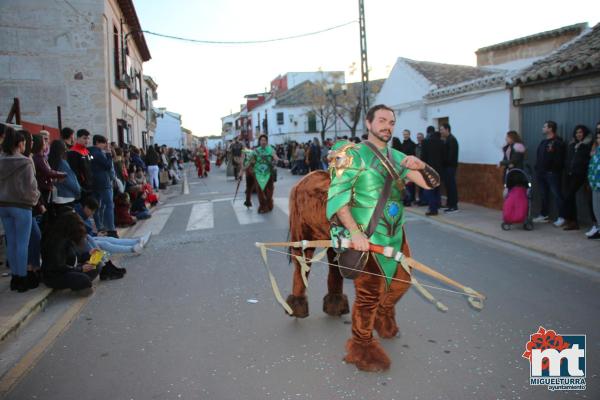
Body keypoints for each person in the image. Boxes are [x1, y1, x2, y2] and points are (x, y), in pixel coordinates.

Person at [326, 104, 440, 371]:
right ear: (368, 123)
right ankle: (361, 345)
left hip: (395, 235)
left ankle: (382, 314)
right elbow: (337, 197)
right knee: (368, 295)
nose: (387, 125)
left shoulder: (398, 156)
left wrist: (421, 164)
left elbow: (430, 184)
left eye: (391, 121)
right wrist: (354, 233)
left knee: (402, 283)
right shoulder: (353, 155)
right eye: (381, 120)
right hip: (366, 238)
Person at [0, 127, 41, 292]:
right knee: (23, 243)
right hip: (22, 205)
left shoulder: (1, 160)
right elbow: (32, 186)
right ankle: (23, 278)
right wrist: (35, 197)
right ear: (20, 143)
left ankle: (14, 278)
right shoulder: (25, 161)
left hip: (3, 205)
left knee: (11, 242)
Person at [533, 121, 566, 226]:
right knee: (543, 194)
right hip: (541, 173)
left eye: (544, 126)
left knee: (557, 195)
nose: (542, 128)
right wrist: (537, 168)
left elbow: (559, 159)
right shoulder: (543, 142)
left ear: (550, 129)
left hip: (552, 174)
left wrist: (553, 170)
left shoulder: (558, 142)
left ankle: (562, 217)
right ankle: (544, 215)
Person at [560, 125, 593, 231]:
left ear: (584, 134)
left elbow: (589, 161)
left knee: (569, 195)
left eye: (581, 132)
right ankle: (571, 220)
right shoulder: (572, 144)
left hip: (580, 174)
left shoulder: (588, 145)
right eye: (577, 132)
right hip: (569, 174)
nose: (578, 134)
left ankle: (574, 222)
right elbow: (567, 158)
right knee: (568, 196)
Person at [88, 135, 117, 237]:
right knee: (109, 205)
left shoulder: (89, 152)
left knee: (97, 206)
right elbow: (108, 166)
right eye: (104, 143)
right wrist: (109, 154)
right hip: (104, 182)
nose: (105, 145)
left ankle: (100, 226)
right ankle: (111, 229)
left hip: (93, 182)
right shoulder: (98, 153)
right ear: (97, 142)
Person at [48, 140, 81, 208]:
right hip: (67, 196)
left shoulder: (49, 161)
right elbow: (70, 181)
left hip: (55, 196)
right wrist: (78, 191)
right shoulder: (63, 163)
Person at [252, 134, 280, 213]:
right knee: (260, 191)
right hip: (259, 174)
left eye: (265, 140)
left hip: (269, 174)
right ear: (259, 141)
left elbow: (275, 157)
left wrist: (280, 160)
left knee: (270, 191)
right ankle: (263, 206)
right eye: (262, 140)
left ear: (267, 142)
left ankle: (269, 204)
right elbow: (251, 160)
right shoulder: (256, 151)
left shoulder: (270, 150)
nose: (263, 142)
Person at [421, 126, 444, 215]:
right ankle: (438, 204)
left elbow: (423, 157)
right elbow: (444, 157)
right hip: (439, 169)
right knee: (437, 189)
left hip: (429, 170)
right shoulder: (441, 142)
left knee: (429, 190)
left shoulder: (425, 142)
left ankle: (433, 209)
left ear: (427, 133)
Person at [66, 129, 94, 199]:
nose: (87, 141)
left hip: (90, 185)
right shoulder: (73, 152)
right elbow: (74, 172)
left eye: (88, 138)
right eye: (84, 138)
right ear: (77, 138)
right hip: (81, 187)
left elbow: (91, 163)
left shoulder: (88, 151)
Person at [440, 123, 459, 212]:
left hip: (450, 167)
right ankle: (450, 204)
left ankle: (454, 205)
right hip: (447, 167)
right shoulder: (447, 139)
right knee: (448, 186)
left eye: (442, 129)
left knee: (451, 186)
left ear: (447, 129)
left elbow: (451, 156)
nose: (441, 131)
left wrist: (444, 162)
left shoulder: (452, 140)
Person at [586, 126, 600, 239]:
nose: (599, 139)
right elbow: (591, 167)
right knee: (596, 209)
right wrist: (590, 180)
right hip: (595, 184)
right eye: (598, 138)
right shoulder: (595, 151)